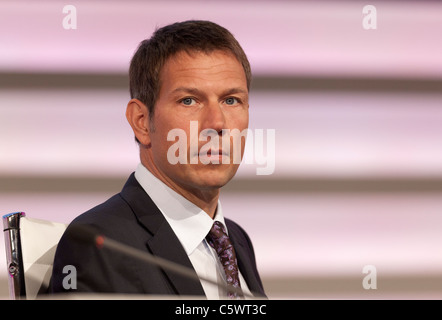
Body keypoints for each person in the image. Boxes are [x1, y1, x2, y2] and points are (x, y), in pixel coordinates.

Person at [50, 20, 266, 299]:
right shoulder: (99, 244)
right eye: (189, 100)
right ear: (141, 121)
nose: (217, 123)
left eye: (231, 100)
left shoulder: (235, 239)